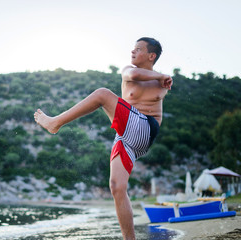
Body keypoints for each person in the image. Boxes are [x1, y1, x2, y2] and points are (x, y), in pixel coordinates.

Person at [34, 37, 172, 240]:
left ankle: (55, 123)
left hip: (145, 128)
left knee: (102, 94)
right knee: (116, 186)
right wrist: (163, 75)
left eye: (139, 49)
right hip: (127, 137)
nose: (132, 52)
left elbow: (155, 80)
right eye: (132, 49)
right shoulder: (130, 71)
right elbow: (133, 73)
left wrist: (164, 77)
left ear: (151, 56)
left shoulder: (161, 81)